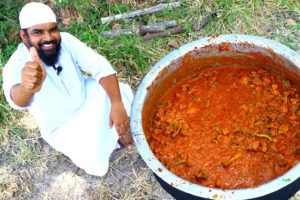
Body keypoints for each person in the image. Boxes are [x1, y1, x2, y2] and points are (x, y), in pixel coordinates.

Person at [2, 2, 134, 176]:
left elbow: (101, 67)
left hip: (87, 97)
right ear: (23, 36)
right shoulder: (15, 65)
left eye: (53, 29)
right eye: (38, 32)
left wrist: (116, 105)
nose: (48, 38)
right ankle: (115, 136)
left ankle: (119, 130)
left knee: (118, 92)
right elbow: (16, 100)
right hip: (64, 126)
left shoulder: (66, 41)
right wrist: (28, 88)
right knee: (92, 154)